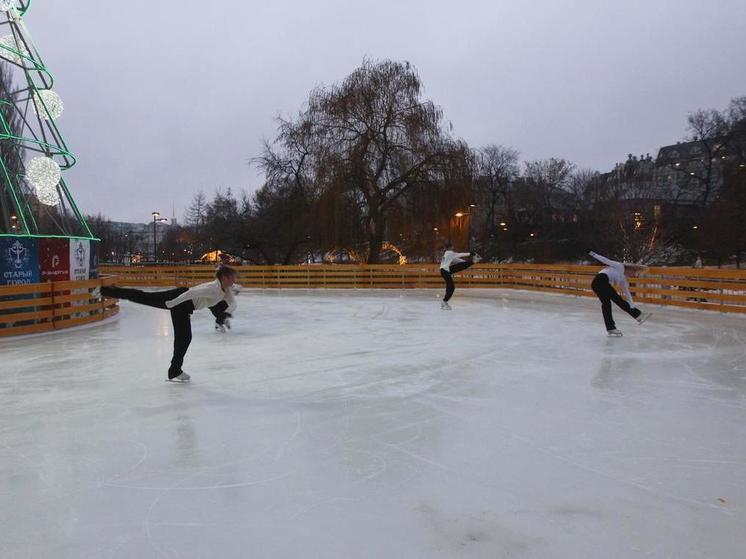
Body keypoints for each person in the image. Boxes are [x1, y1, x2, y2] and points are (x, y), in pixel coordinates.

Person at [101, 266, 238, 381]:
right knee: (145, 298)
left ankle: (175, 370)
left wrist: (227, 313)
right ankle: (105, 291)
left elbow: (233, 303)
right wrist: (172, 303)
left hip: (184, 306)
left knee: (183, 338)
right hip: (180, 301)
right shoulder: (213, 289)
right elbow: (190, 293)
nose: (234, 280)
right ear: (225, 277)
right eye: (232, 277)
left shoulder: (225, 290)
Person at [589, 251, 651, 336]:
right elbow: (605, 260)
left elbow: (627, 293)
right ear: (631, 269)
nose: (634, 275)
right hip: (600, 281)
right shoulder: (619, 266)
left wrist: (632, 305)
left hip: (598, 284)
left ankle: (611, 328)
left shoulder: (623, 280)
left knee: (607, 305)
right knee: (617, 300)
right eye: (634, 273)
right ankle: (638, 315)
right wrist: (592, 254)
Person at [439, 242, 480, 310]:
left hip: (445, 270)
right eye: (452, 247)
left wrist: (466, 263)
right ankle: (444, 302)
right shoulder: (449, 253)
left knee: (450, 286)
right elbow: (459, 254)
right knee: (451, 287)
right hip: (445, 271)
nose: (453, 248)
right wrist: (470, 253)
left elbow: (457, 261)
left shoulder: (447, 254)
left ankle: (444, 302)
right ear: (449, 247)